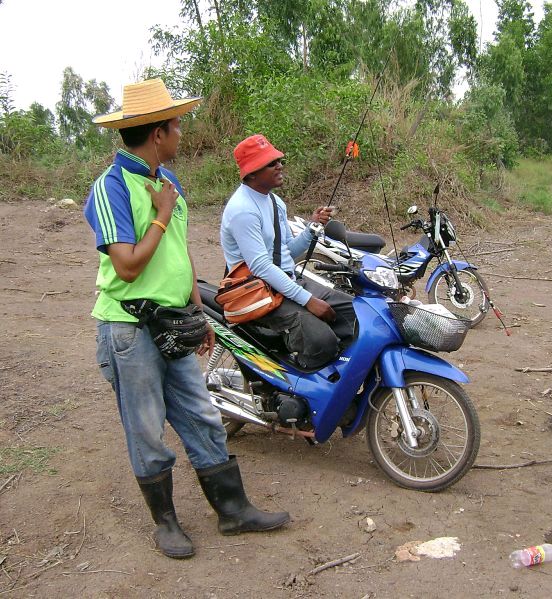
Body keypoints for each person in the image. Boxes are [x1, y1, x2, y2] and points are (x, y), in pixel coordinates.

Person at [84, 79, 289, 559]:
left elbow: (177, 254)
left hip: (174, 320)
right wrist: (160, 215)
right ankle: (167, 524)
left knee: (201, 415)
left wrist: (200, 314)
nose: (181, 133)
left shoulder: (168, 182)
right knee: (147, 428)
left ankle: (234, 511)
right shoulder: (112, 186)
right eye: (176, 125)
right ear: (157, 133)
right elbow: (127, 265)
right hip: (130, 329)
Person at [220, 134, 356, 369]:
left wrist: (312, 228)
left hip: (284, 281)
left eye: (279, 160)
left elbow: (286, 253)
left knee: (352, 312)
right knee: (321, 341)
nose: (280, 165)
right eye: (271, 163)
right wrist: (308, 300)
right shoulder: (243, 210)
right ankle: (295, 387)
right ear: (252, 173)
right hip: (259, 291)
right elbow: (261, 266)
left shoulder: (275, 203)